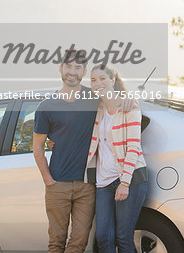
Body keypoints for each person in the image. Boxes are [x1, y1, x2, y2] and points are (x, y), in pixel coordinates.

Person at [33, 49, 136, 253]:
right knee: (56, 241)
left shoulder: (93, 98)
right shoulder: (46, 107)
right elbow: (37, 147)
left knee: (79, 241)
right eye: (68, 66)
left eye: (78, 67)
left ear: (84, 71)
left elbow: (115, 101)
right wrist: (48, 180)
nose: (73, 71)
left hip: (88, 185)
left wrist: (129, 99)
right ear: (60, 69)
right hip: (57, 184)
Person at [84, 64, 148, 253]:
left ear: (113, 80)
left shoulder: (129, 106)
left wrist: (125, 183)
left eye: (102, 78)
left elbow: (134, 147)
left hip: (129, 180)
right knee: (103, 236)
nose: (98, 83)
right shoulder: (99, 109)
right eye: (93, 80)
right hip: (103, 182)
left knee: (123, 237)